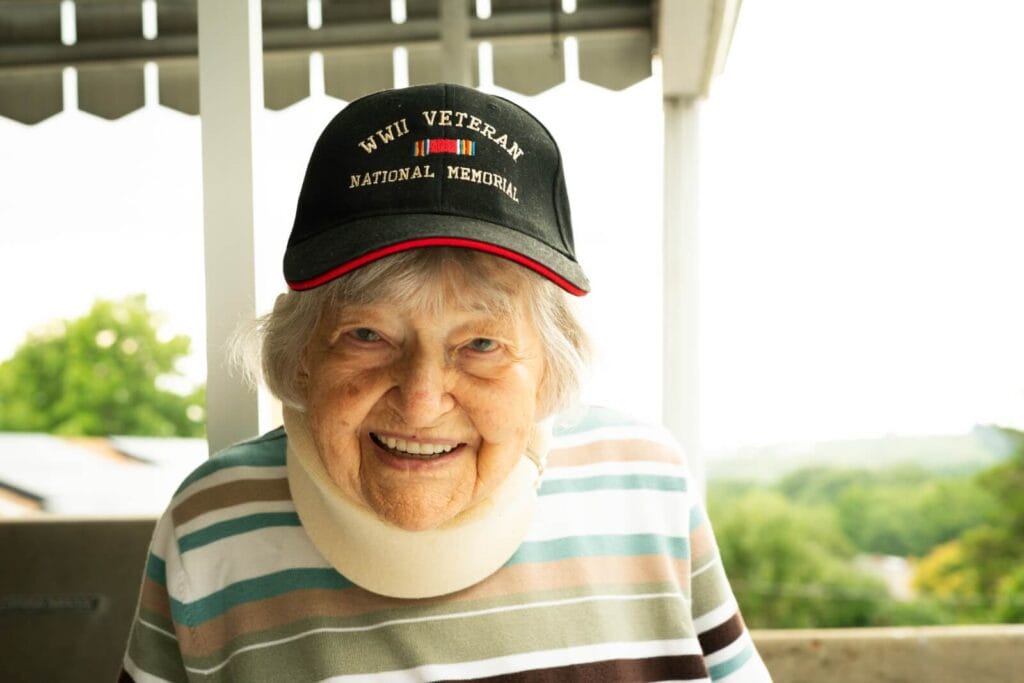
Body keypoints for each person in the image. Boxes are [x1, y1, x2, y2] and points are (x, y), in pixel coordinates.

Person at [121, 83, 771, 682]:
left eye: (481, 344)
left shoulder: (645, 486)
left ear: (550, 364)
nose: (422, 401)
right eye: (367, 335)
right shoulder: (210, 524)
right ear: (301, 358)